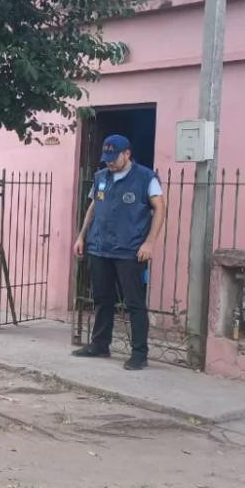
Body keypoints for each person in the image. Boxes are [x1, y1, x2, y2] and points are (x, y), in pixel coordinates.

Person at [72, 134, 166, 370]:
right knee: (102, 299)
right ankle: (99, 345)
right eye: (107, 159)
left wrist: (150, 243)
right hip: (100, 247)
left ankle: (139, 353)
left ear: (127, 154)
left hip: (130, 250)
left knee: (134, 302)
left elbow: (161, 209)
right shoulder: (101, 177)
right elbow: (93, 207)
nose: (110, 163)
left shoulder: (146, 178)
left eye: (114, 158)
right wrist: (82, 236)